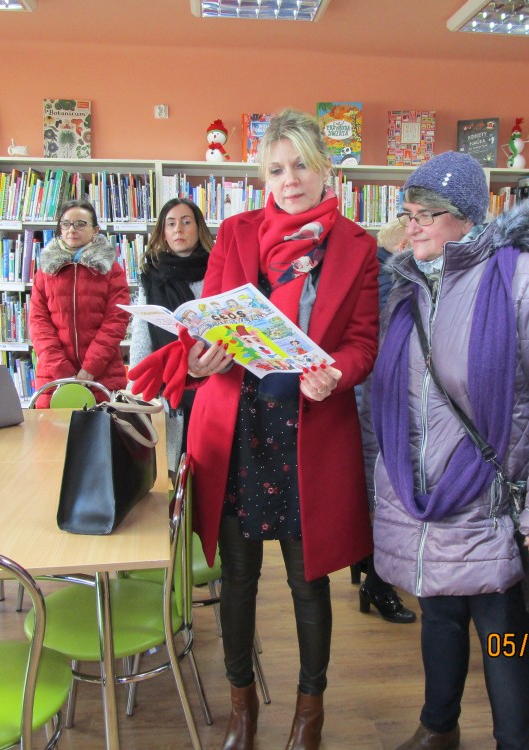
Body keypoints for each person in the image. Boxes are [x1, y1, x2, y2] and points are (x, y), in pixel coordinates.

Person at [127, 108, 380, 750]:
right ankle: (242, 709)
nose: (289, 180)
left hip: (308, 433)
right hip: (236, 431)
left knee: (307, 581)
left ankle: (309, 713)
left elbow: (362, 343)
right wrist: (199, 356)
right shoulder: (237, 234)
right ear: (262, 176)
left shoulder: (357, 246)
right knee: (237, 577)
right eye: (275, 169)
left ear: (326, 169)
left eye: (301, 166)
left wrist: (336, 373)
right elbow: (202, 326)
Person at [368, 151, 529, 750]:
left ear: (466, 216)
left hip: (495, 502)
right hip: (425, 498)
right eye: (408, 213)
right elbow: (395, 401)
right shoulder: (407, 288)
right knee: (439, 616)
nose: (413, 226)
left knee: (504, 634)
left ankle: (516, 744)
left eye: (427, 214)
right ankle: (437, 727)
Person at [354, 219, 416, 624]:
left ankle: (373, 576)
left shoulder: (377, 275)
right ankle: (378, 583)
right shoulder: (390, 282)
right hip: (384, 400)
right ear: (406, 244)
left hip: (374, 398)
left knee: (380, 493)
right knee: (386, 494)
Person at [128, 197, 212, 472]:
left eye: (186, 222)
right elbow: (142, 334)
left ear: (198, 228)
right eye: (171, 224)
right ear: (162, 232)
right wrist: (137, 392)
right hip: (169, 388)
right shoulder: (151, 276)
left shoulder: (216, 270)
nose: (179, 229)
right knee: (174, 466)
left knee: (210, 465)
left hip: (212, 382)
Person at [29, 199, 130, 408]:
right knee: (53, 428)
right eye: (66, 224)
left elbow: (116, 321)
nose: (71, 229)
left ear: (95, 230)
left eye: (80, 224)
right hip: (54, 377)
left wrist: (90, 369)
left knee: (104, 427)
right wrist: (63, 372)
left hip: (102, 375)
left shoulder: (111, 270)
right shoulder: (45, 271)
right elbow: (38, 323)